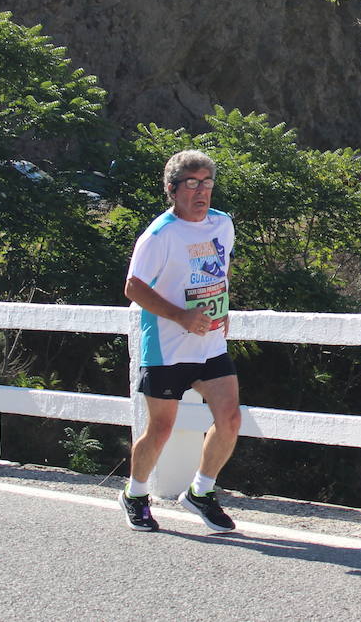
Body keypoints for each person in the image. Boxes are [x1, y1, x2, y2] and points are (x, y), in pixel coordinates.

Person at [118, 149, 242, 534]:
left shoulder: (223, 224)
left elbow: (220, 268)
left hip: (210, 343)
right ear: (172, 189)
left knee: (230, 419)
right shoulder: (159, 235)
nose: (201, 191)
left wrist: (223, 308)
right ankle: (135, 495)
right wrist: (182, 317)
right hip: (167, 345)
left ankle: (201, 492)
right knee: (161, 428)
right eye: (192, 183)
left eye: (207, 183)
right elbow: (133, 287)